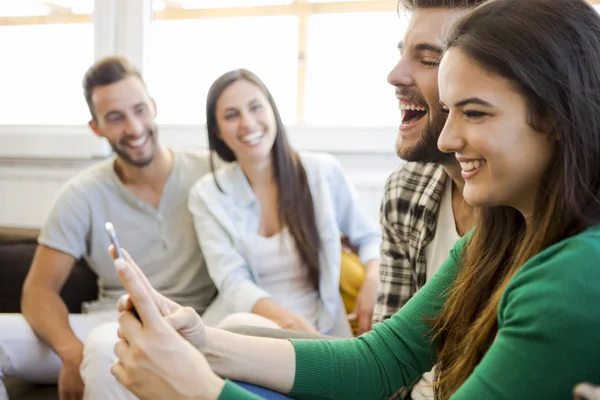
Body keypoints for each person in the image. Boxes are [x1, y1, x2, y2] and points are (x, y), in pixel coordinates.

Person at [110, 0, 600, 398]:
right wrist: (201, 342)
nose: (447, 139)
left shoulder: (572, 281)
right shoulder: (502, 232)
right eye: (449, 111)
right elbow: (378, 360)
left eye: (474, 113)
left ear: (557, 116)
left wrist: (197, 389)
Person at [0, 56, 217, 400]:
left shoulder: (210, 172)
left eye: (139, 110)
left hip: (193, 325)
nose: (133, 128)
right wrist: (71, 353)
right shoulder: (80, 194)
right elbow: (39, 291)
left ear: (154, 107)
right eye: (115, 118)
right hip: (110, 322)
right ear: (96, 127)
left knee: (104, 352)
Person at [188, 69, 382, 337]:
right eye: (231, 115)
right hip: (249, 325)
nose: (247, 123)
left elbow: (370, 237)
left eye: (255, 107)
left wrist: (373, 281)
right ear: (217, 131)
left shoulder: (321, 172)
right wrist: (292, 325)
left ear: (272, 111)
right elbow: (232, 281)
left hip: (323, 323)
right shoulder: (207, 194)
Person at [374, 0, 485, 397]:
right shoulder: (404, 190)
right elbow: (383, 358)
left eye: (428, 59)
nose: (394, 75)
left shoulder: (538, 217)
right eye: (402, 54)